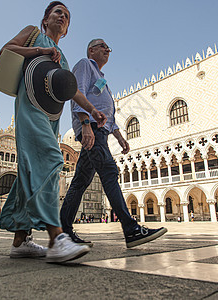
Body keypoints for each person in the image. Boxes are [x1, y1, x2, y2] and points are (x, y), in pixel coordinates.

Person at [0, 2, 107, 263]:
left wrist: (93, 110)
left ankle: (20, 241)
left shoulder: (64, 57)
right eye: (57, 12)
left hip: (52, 117)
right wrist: (40, 50)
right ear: (45, 20)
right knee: (50, 158)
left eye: (67, 16)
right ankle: (57, 238)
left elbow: (73, 91)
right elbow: (6, 50)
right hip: (30, 109)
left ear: (67, 29)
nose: (62, 17)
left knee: (29, 172)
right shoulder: (33, 34)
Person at [59, 38, 167, 248]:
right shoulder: (85, 64)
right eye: (102, 46)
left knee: (80, 181)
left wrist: (118, 135)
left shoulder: (102, 79)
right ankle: (131, 229)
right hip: (91, 129)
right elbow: (75, 92)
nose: (108, 49)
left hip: (101, 131)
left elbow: (108, 112)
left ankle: (63, 232)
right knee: (109, 171)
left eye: (108, 47)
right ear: (91, 50)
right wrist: (85, 124)